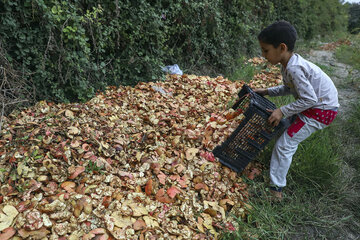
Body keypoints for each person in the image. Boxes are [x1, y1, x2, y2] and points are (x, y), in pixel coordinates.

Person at [254, 20, 339, 201]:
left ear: (281, 48)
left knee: (285, 145)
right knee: (284, 132)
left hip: (320, 111)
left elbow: (309, 99)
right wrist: (267, 91)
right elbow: (289, 88)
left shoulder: (294, 67)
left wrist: (282, 111)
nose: (263, 55)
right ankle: (276, 172)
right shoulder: (288, 65)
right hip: (316, 107)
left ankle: (276, 192)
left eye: (266, 50)